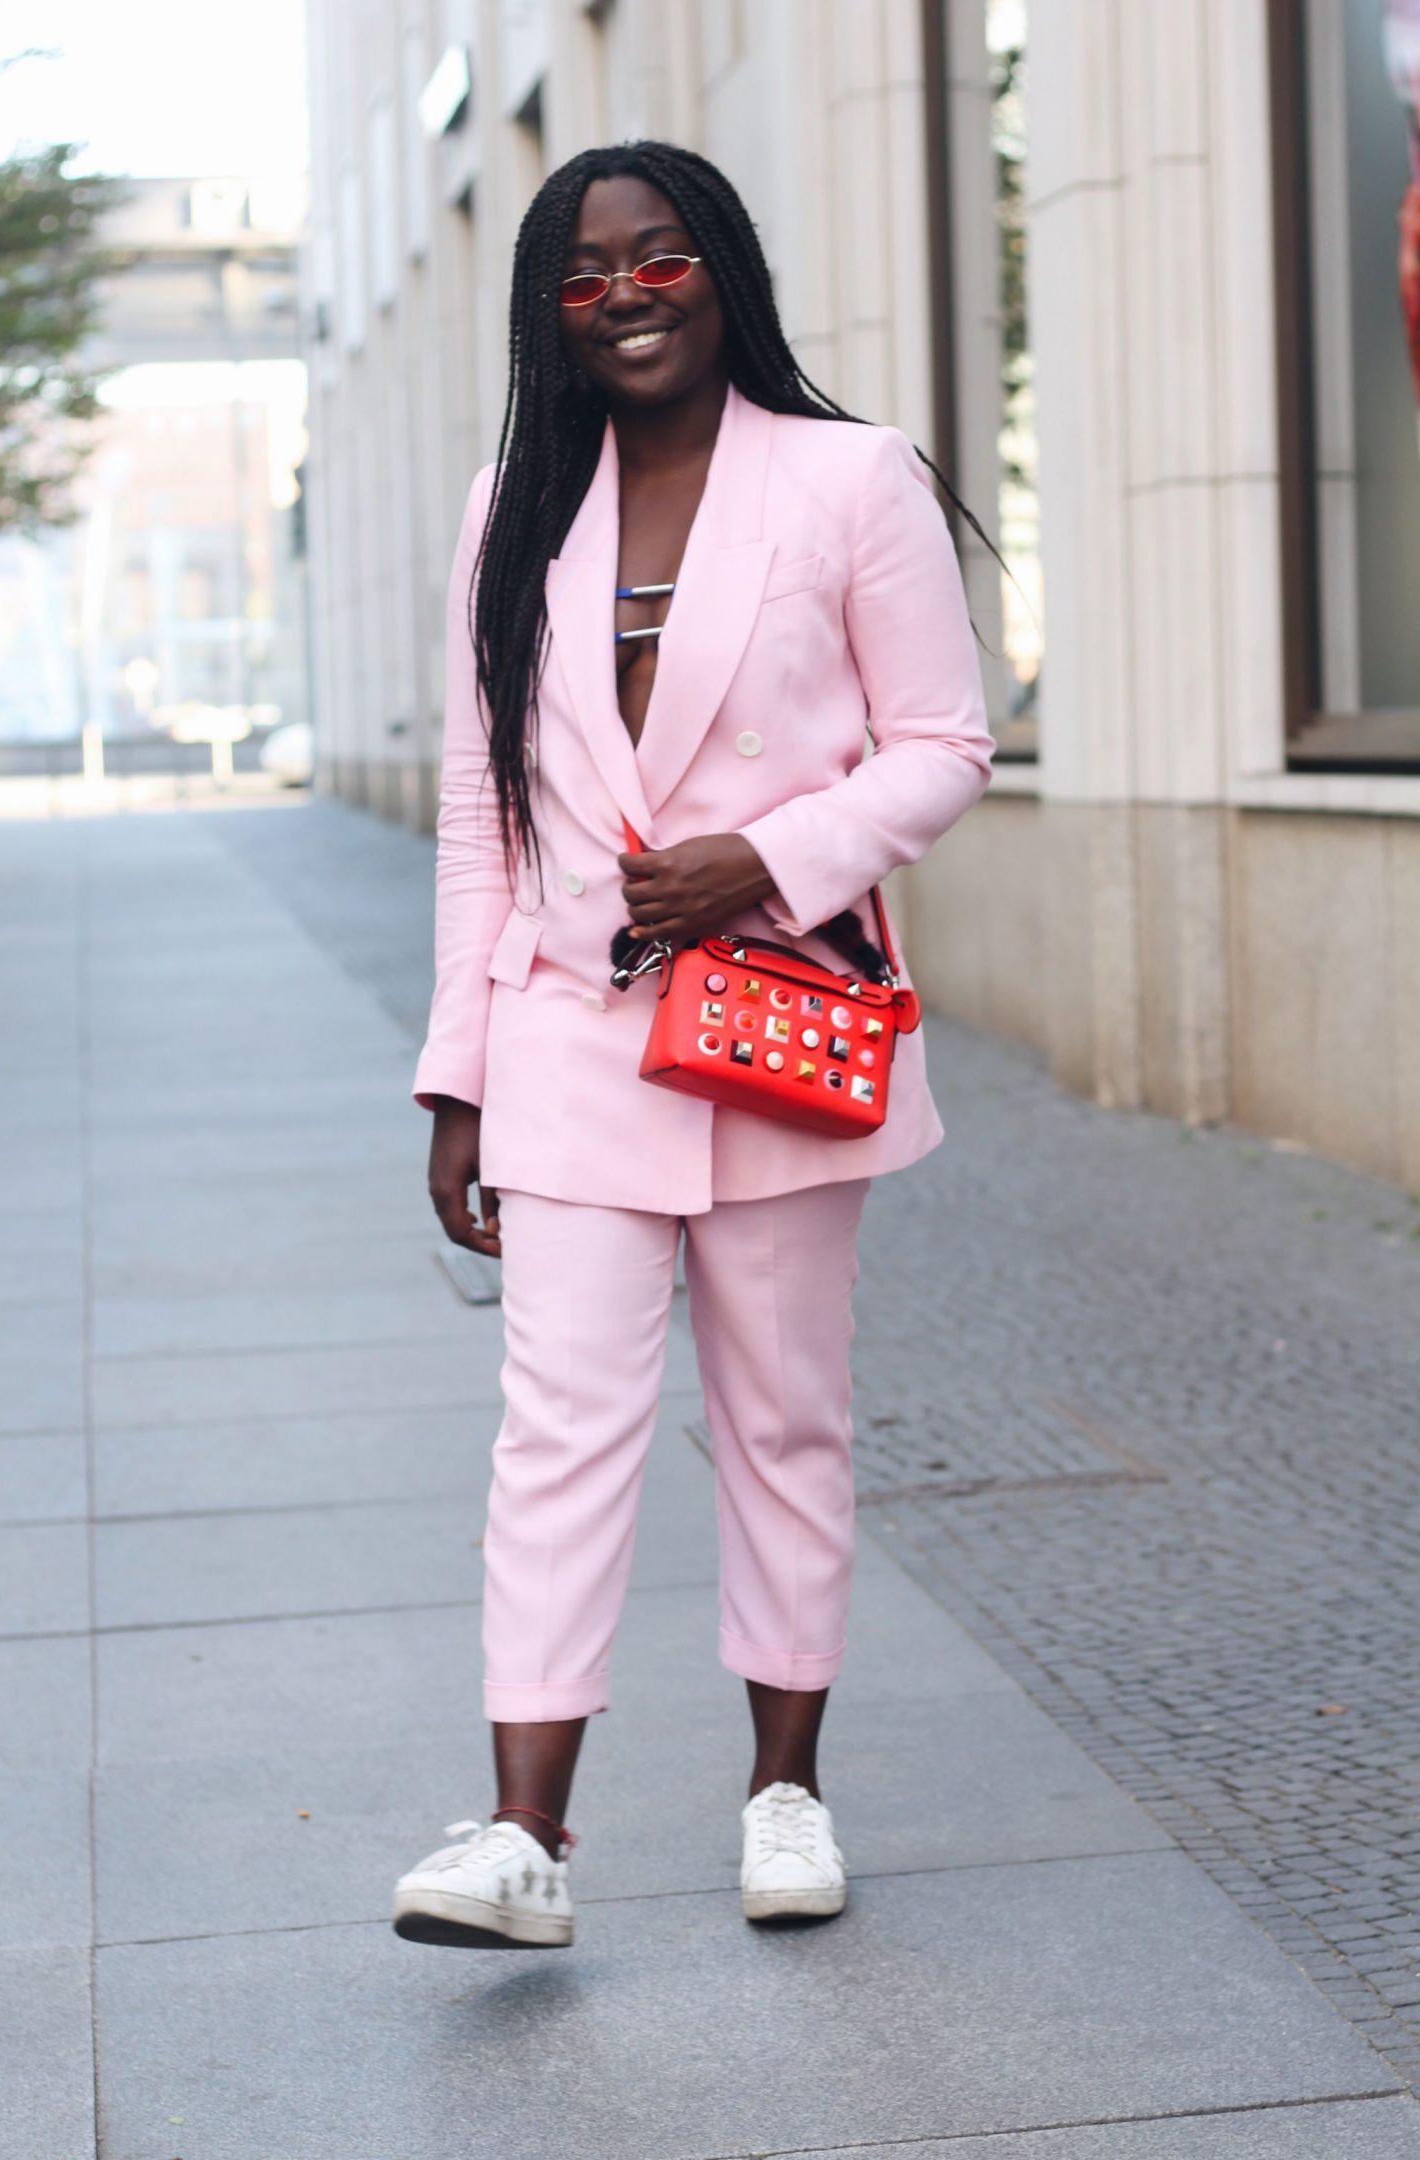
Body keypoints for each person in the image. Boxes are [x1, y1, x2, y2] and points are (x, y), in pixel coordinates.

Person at [390, 141, 994, 1951]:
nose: (627, 291)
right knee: (555, 1431)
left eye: (659, 257)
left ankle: (786, 1795)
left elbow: (946, 744)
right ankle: (525, 1837)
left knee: (784, 1420)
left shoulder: (846, 479)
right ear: (549, 314)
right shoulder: (514, 507)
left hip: (777, 1027)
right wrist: (454, 1076)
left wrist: (774, 854)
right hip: (570, 1036)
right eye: (586, 275)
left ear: (719, 268)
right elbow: (478, 817)